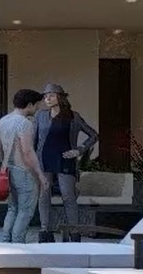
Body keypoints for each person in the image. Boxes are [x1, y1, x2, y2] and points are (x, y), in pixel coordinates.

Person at [33, 84, 101, 242]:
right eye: (45, 96)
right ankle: (45, 230)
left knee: (68, 196)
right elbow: (34, 140)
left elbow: (93, 135)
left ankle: (74, 231)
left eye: (51, 95)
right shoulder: (40, 116)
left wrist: (79, 150)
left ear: (60, 97)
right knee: (44, 195)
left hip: (65, 160)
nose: (47, 99)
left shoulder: (73, 116)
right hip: (44, 160)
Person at [0, 89, 48, 244]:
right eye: (36, 105)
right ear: (30, 104)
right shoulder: (25, 124)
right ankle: (18, 243)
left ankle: (6, 241)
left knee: (13, 208)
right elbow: (28, 152)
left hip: (8, 169)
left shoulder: (3, 121)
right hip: (24, 171)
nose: (37, 108)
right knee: (25, 210)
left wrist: (4, 166)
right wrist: (40, 175)